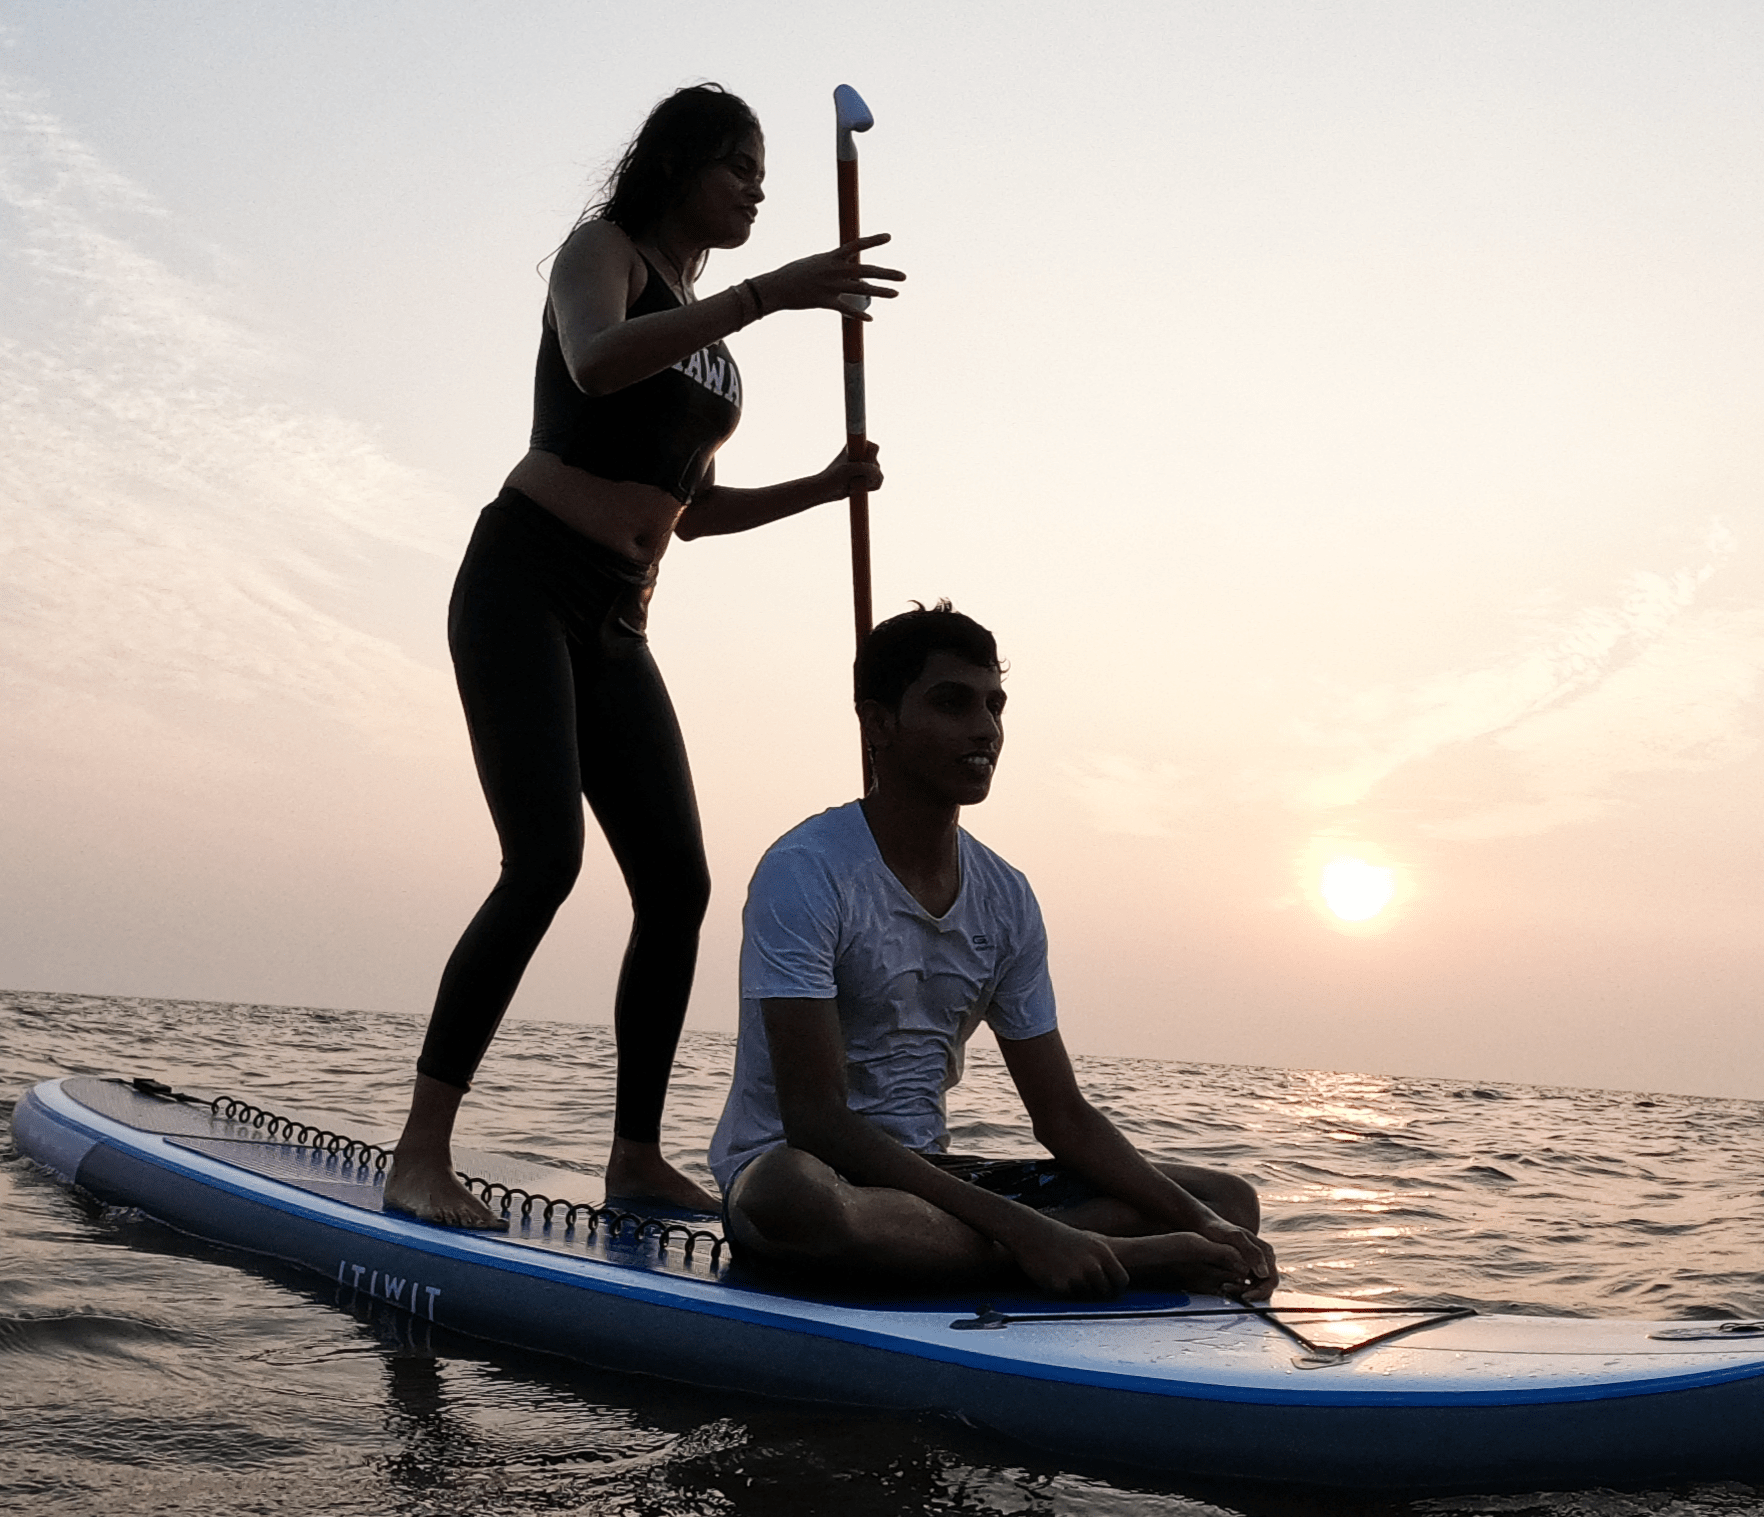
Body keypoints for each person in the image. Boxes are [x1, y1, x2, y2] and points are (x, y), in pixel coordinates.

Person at [385, 84, 904, 1228]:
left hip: (620, 618)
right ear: (675, 166)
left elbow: (689, 510)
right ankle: (421, 1153)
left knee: (677, 883)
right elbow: (596, 365)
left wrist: (823, 487)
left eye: (766, 173)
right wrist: (770, 299)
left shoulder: (711, 341)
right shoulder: (601, 253)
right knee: (545, 862)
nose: (758, 189)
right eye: (740, 166)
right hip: (523, 580)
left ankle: (634, 1156)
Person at [711, 605, 1280, 1300]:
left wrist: (1200, 1222)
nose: (985, 730)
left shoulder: (1005, 896)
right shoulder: (806, 869)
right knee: (790, 1196)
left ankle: (1066, 1248)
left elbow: (1062, 1118)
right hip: (812, 1174)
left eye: (994, 706)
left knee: (1229, 1201)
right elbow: (817, 1120)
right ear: (878, 725)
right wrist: (1027, 1230)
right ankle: (1093, 1252)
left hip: (933, 1188)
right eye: (953, 704)